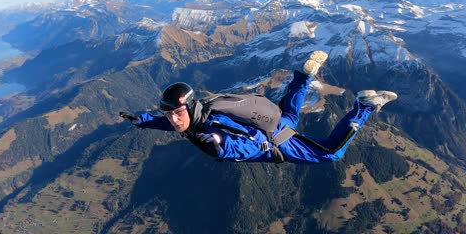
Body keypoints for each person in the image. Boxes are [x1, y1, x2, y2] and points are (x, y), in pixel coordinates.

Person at [122, 51, 397, 164]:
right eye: (169, 114)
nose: (173, 119)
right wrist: (144, 120)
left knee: (331, 154)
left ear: (189, 108)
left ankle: (364, 106)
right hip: (273, 124)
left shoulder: (211, 126)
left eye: (176, 113)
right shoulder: (197, 111)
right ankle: (302, 78)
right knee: (289, 115)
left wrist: (221, 148)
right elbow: (173, 121)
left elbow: (242, 143)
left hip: (272, 141)